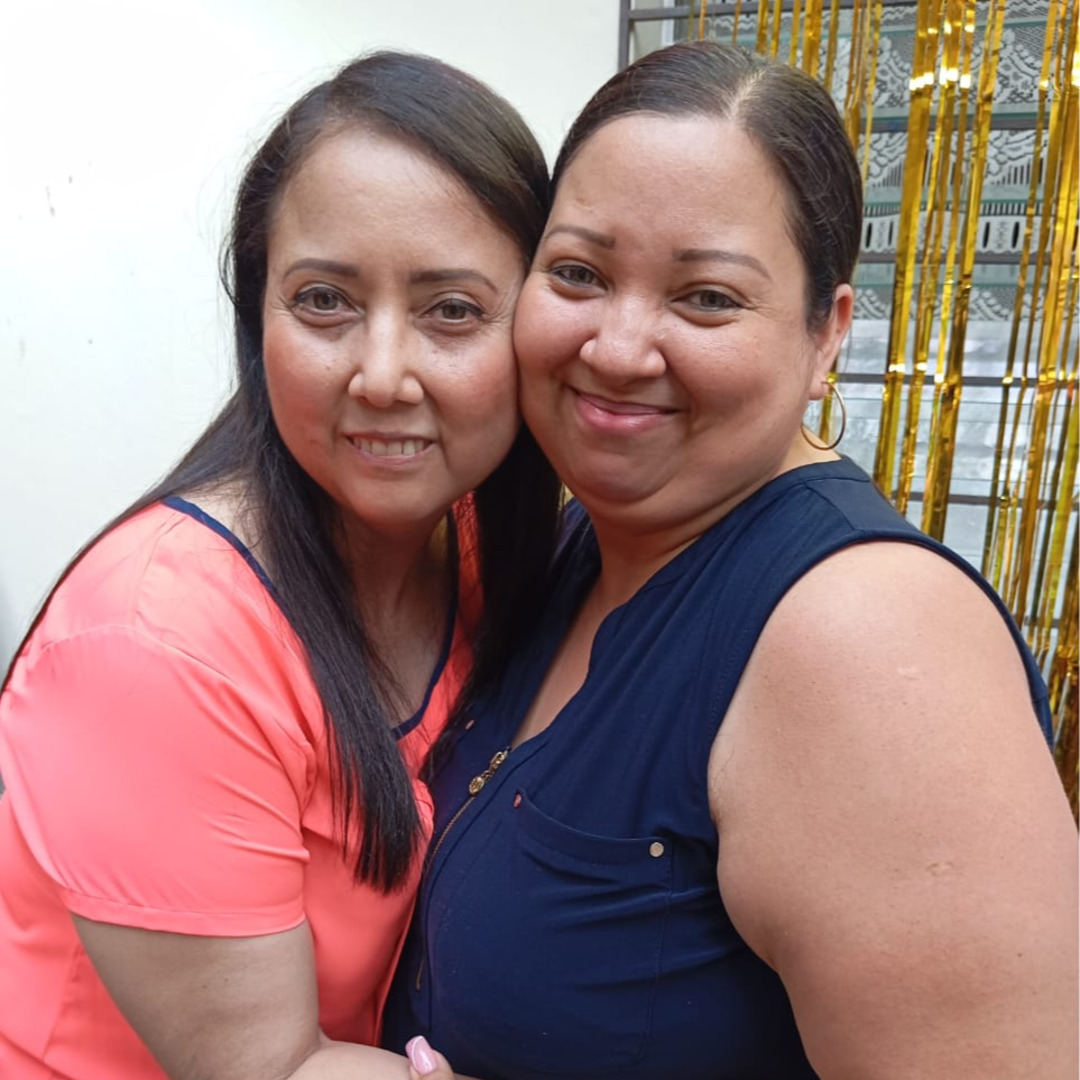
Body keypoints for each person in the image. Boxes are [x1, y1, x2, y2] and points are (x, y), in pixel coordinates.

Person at [383, 41, 1080, 1079]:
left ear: (825, 334)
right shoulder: (580, 546)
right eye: (578, 274)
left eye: (707, 296)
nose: (619, 347)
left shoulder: (867, 639)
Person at [0, 51, 560, 1080]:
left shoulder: (477, 545)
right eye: (324, 301)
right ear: (257, 314)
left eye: (452, 310)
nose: (382, 375)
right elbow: (273, 1066)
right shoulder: (156, 643)